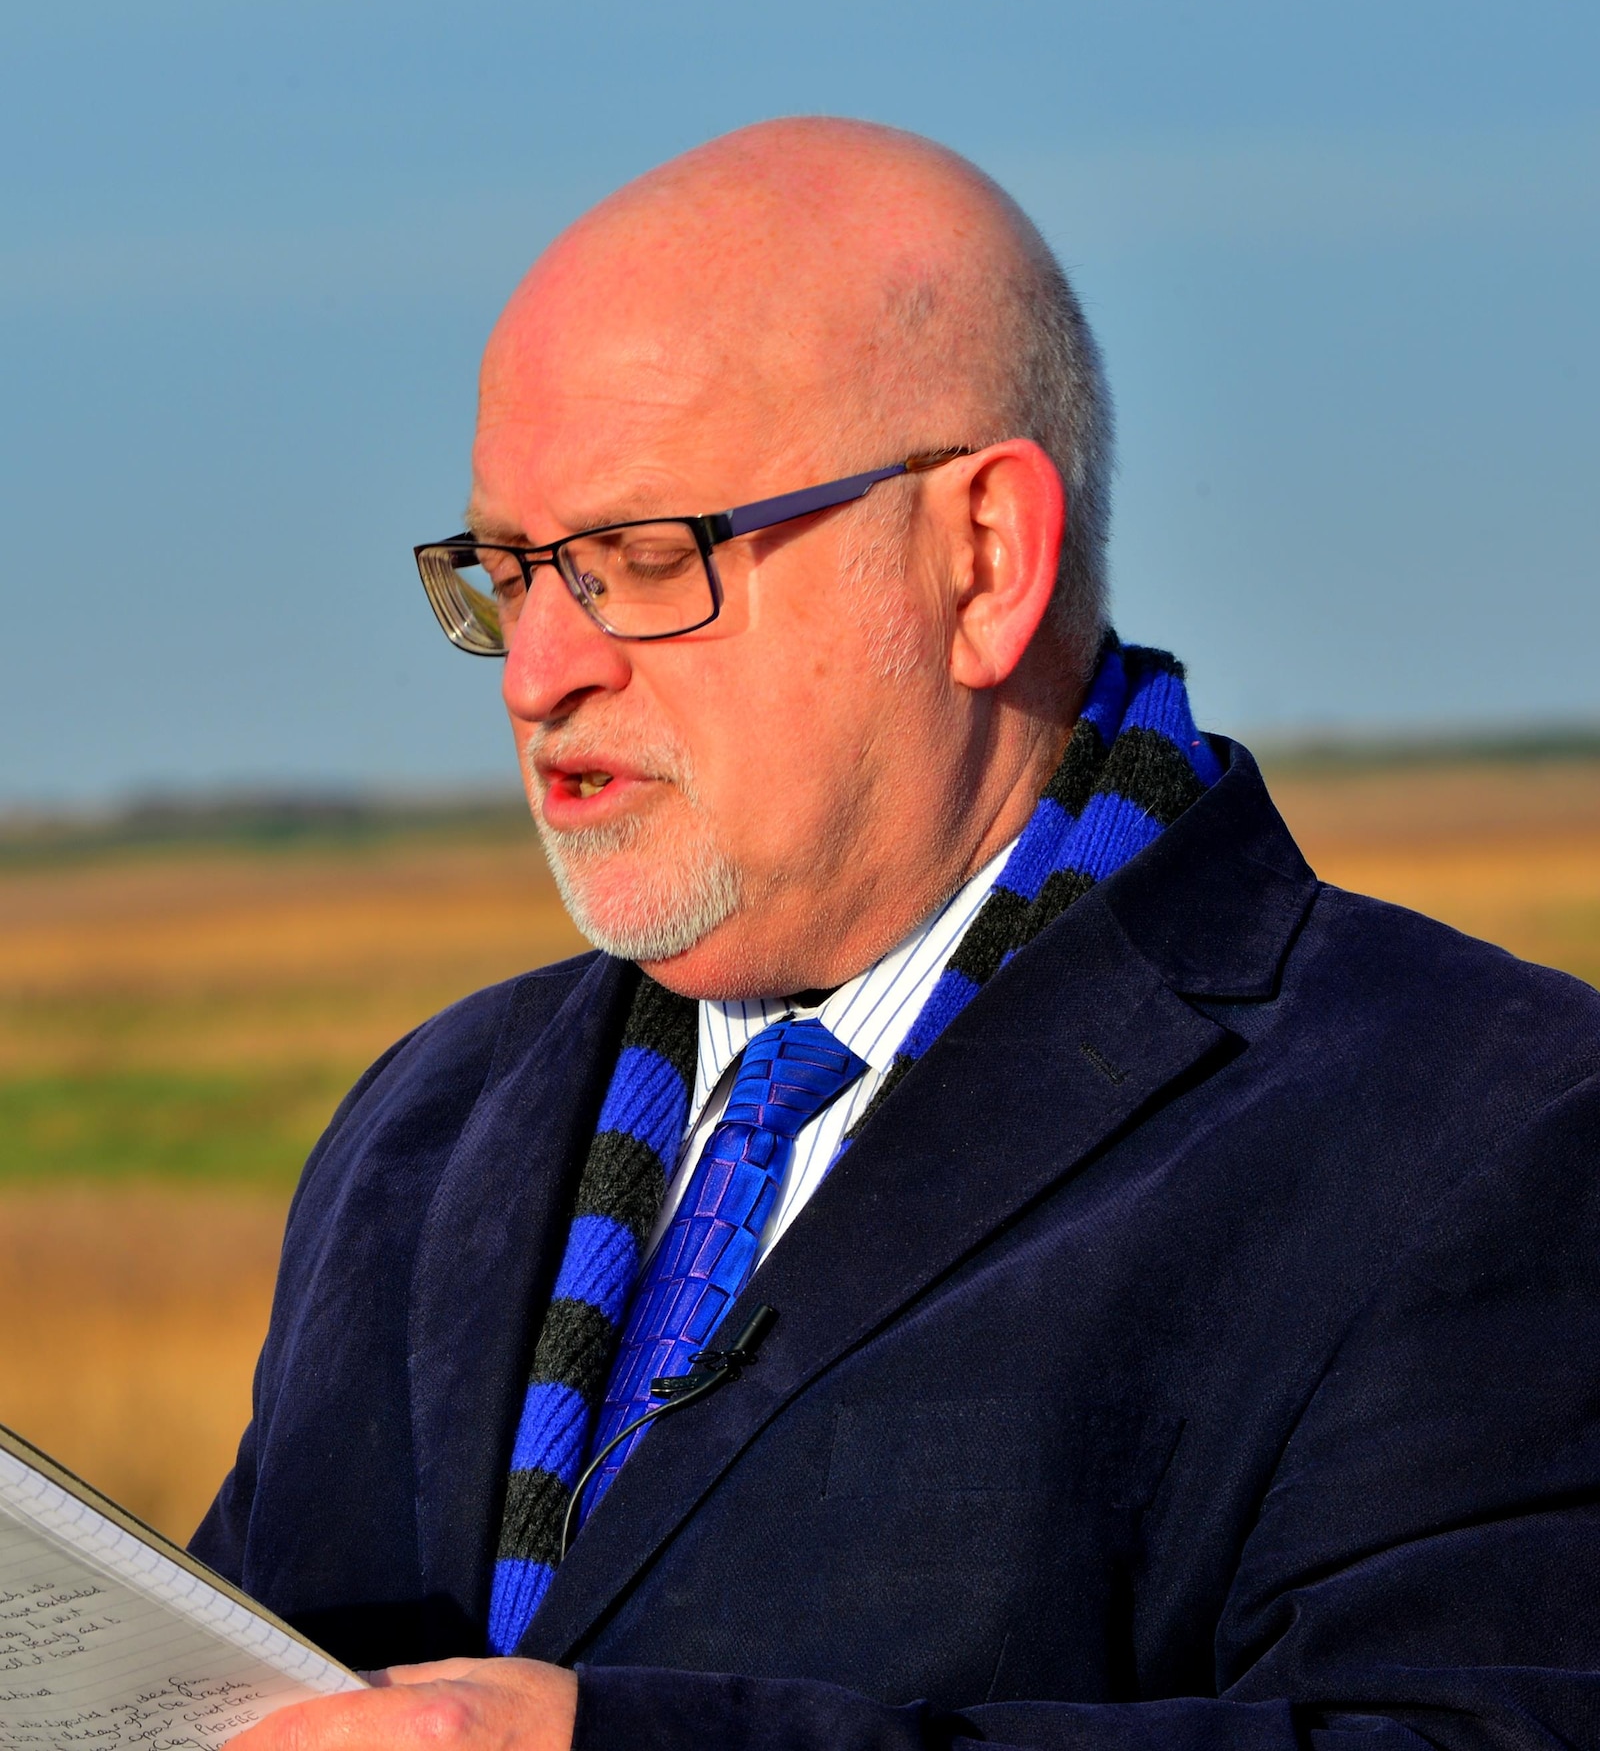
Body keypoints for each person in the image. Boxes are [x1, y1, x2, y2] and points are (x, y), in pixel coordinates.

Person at [208, 118, 1600, 1751]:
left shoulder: (1485, 1130)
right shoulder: (422, 1132)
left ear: (983, 559)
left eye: (644, 559)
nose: (540, 673)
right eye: (510, 574)